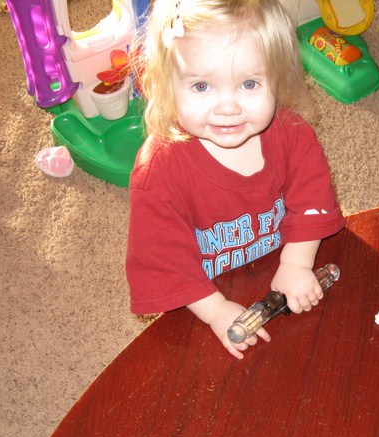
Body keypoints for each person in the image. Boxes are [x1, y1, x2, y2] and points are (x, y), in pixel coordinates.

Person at [126, 0, 346, 359]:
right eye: (201, 86)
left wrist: (296, 263)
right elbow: (163, 259)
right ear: (165, 84)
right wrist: (215, 310)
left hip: (280, 262)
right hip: (203, 293)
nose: (227, 107)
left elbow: (312, 200)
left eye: (249, 83)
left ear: (277, 78)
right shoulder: (159, 171)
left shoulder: (291, 133)